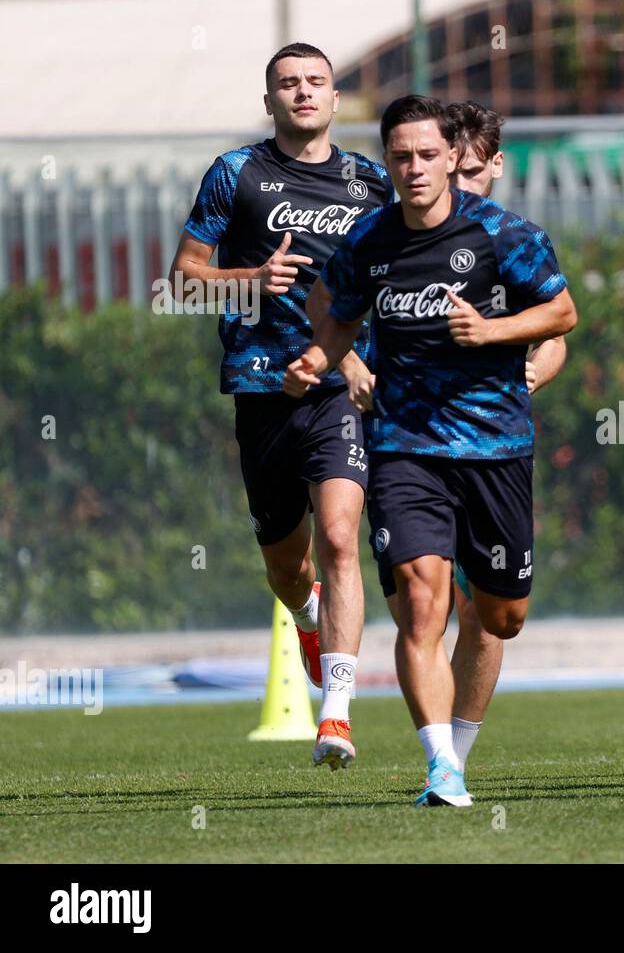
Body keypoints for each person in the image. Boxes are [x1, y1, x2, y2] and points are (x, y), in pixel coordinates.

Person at [284, 95, 577, 807]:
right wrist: (319, 361)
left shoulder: (504, 234)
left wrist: (494, 333)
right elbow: (335, 309)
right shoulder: (370, 241)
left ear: (453, 157)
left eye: (426, 156)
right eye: (400, 157)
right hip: (403, 446)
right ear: (386, 161)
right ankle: (442, 767)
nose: (413, 169)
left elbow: (562, 312)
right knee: (420, 600)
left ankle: (457, 747)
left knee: (502, 617)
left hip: (496, 447)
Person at [170, 43, 392, 770]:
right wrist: (251, 279)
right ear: (270, 101)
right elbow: (182, 281)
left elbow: (403, 276)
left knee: (339, 538)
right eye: (287, 84)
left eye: (315, 82)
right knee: (290, 570)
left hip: (336, 390)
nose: (302, 93)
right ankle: (305, 620)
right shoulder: (236, 173)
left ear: (335, 98)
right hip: (261, 390)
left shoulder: (372, 183)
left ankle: (336, 714)